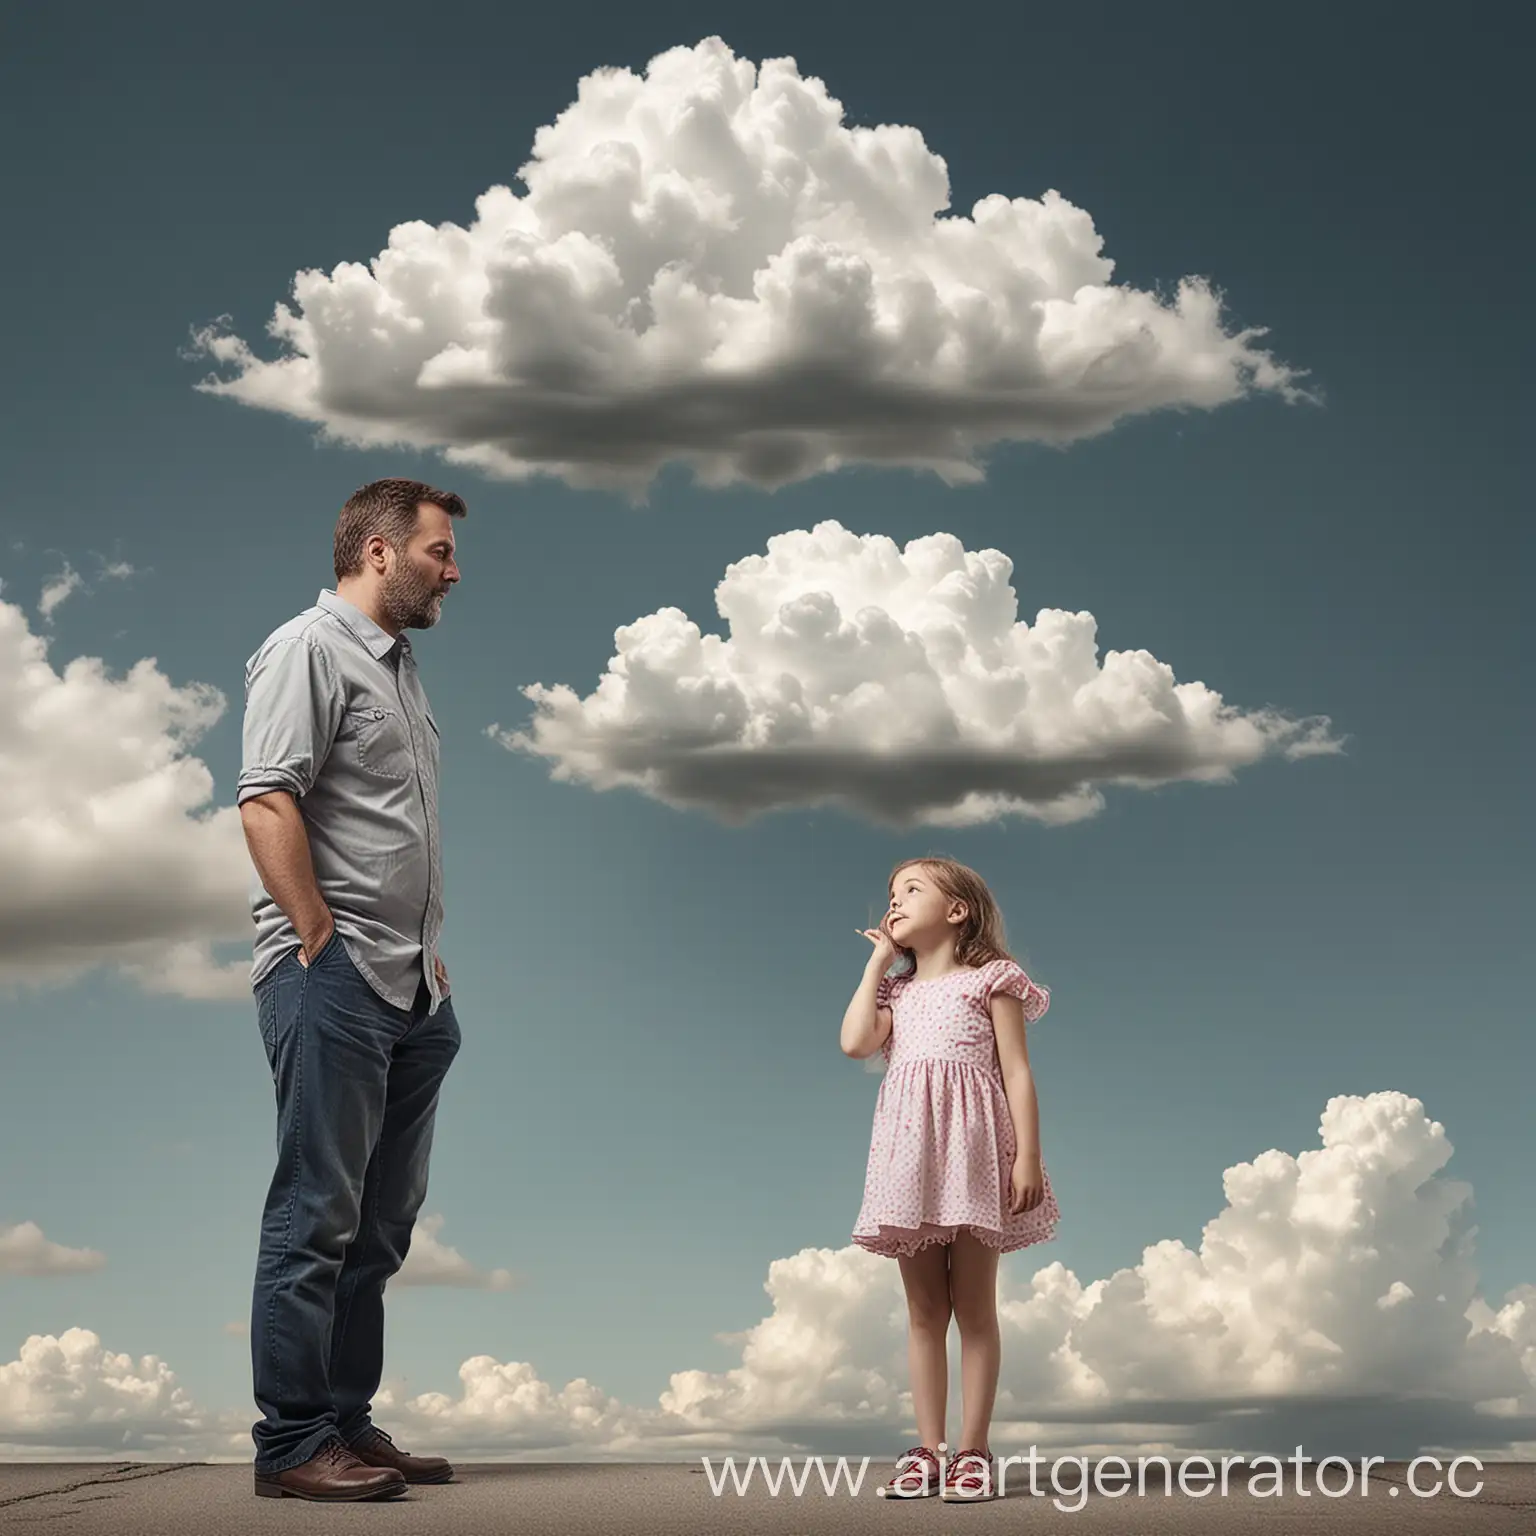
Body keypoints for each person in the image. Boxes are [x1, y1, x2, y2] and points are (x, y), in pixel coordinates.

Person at [236, 478, 466, 1502]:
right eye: (438, 552)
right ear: (378, 551)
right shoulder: (307, 650)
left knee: (380, 1225)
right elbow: (267, 800)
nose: (452, 571)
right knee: (315, 1213)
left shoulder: (402, 671)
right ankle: (291, 1444)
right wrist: (318, 937)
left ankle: (344, 1421)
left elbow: (390, 828)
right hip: (332, 977)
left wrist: (425, 955)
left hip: (410, 985)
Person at [842, 855, 1059, 1504]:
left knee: (974, 1307)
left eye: (912, 889)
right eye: (890, 892)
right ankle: (928, 1450)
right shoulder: (898, 994)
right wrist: (877, 964)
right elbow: (855, 1043)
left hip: (975, 1153)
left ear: (958, 910)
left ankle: (973, 1451)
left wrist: (1026, 1158)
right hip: (910, 1160)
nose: (895, 900)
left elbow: (1017, 1072)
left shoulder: (990, 979)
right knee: (923, 1311)